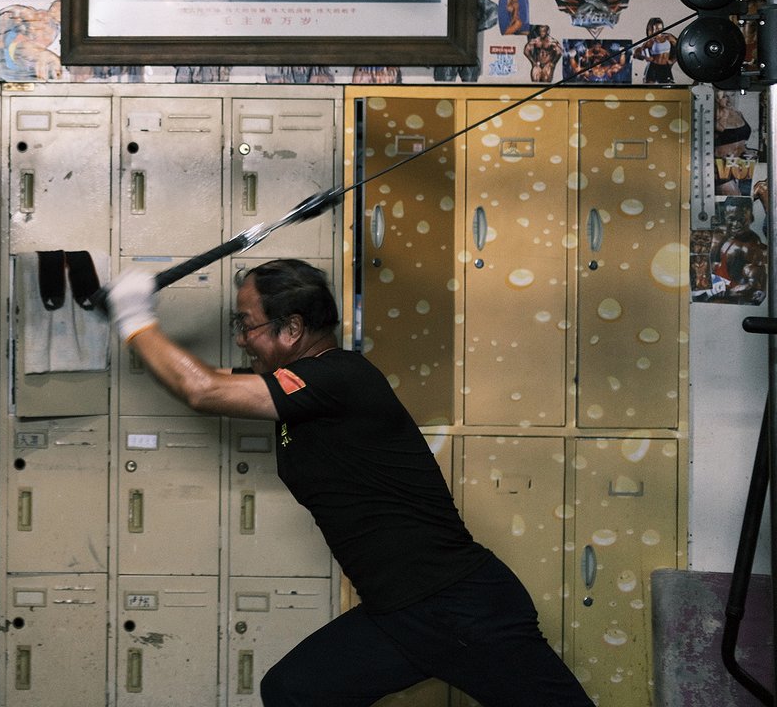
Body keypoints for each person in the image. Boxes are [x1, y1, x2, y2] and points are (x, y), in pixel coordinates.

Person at [105, 259, 595, 706]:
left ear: (292, 328)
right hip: (399, 614)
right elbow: (200, 377)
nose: (240, 338)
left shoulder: (338, 376)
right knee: (293, 691)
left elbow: (202, 389)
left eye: (246, 326)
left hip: (460, 606)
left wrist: (134, 317)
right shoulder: (299, 387)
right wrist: (108, 299)